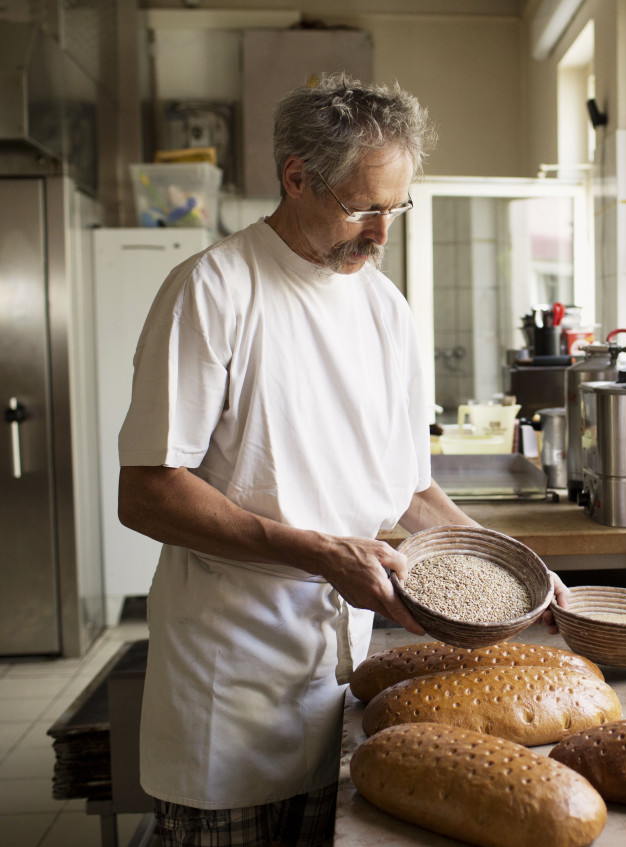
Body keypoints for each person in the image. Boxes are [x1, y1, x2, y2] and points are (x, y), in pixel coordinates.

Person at [117, 72, 569, 847]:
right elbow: (149, 493)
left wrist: (508, 564)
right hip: (232, 691)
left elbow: (408, 488)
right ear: (296, 177)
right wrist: (322, 553)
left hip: (346, 688)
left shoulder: (385, 310)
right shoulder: (216, 290)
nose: (382, 234)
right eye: (364, 207)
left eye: (396, 208)